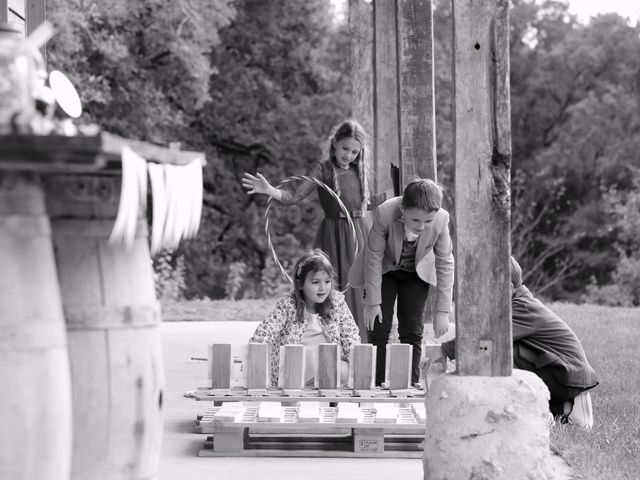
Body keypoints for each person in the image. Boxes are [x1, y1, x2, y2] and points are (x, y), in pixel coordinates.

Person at [242, 119, 383, 342]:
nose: (348, 155)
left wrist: (388, 200)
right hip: (334, 235)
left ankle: (360, 341)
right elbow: (294, 195)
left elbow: (364, 202)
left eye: (354, 152)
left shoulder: (359, 170)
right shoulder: (323, 169)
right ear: (334, 143)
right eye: (345, 148)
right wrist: (270, 190)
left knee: (358, 286)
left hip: (359, 232)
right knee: (329, 286)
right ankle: (325, 338)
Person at [440, 256, 599, 429]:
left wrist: (444, 351)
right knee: (493, 350)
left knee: (495, 351)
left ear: (508, 288)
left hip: (568, 377)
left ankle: (538, 412)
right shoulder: (516, 305)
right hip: (564, 375)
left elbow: (486, 339)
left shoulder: (523, 308)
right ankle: (563, 409)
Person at [348, 178, 455, 386]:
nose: (422, 227)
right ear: (403, 210)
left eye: (428, 221)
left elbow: (445, 263)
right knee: (379, 327)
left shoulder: (441, 220)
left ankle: (409, 384)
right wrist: (372, 302)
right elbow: (374, 258)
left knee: (412, 329)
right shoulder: (385, 213)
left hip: (416, 274)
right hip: (384, 271)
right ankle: (377, 383)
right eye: (415, 220)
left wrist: (442, 312)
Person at [249, 249, 361, 387]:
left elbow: (350, 334)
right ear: (301, 284)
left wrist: (357, 359)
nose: (322, 288)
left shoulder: (336, 302)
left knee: (344, 370)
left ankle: (331, 402)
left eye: (327, 281)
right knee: (292, 376)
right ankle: (292, 404)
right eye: (315, 282)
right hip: (296, 368)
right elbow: (267, 329)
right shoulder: (288, 304)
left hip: (327, 368)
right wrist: (258, 345)